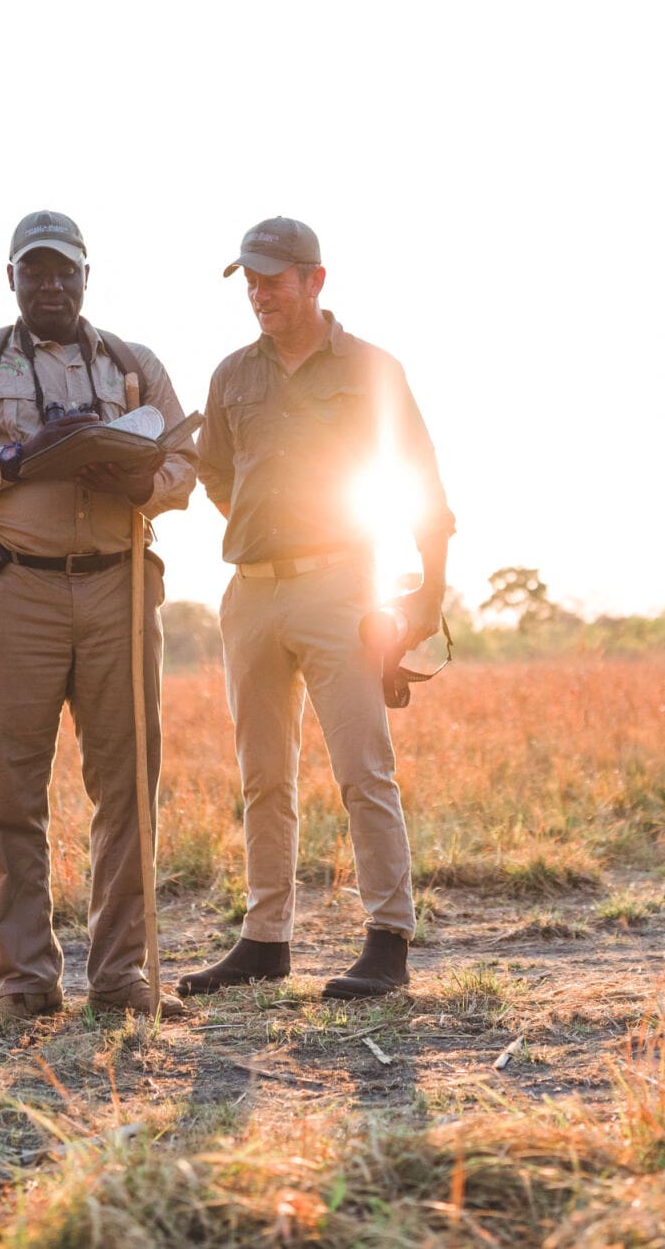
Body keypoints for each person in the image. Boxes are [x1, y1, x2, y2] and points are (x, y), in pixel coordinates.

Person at [0, 210, 195, 1024]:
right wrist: (15, 458)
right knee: (10, 792)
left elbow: (184, 461)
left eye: (64, 271)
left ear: (85, 276)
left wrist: (140, 481)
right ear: (10, 279)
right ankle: (24, 981)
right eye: (34, 272)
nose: (50, 285)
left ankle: (121, 976)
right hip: (14, 589)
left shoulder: (135, 366)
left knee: (128, 788)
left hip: (119, 584)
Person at [180, 217, 454, 1002]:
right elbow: (217, 476)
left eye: (274, 278)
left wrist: (424, 601)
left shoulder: (371, 368)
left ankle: (387, 938)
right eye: (250, 280)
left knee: (362, 765)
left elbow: (421, 485)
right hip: (251, 590)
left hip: (341, 585)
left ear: (315, 280)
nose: (260, 293)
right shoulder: (232, 374)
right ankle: (265, 940)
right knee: (263, 773)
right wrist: (267, 536)